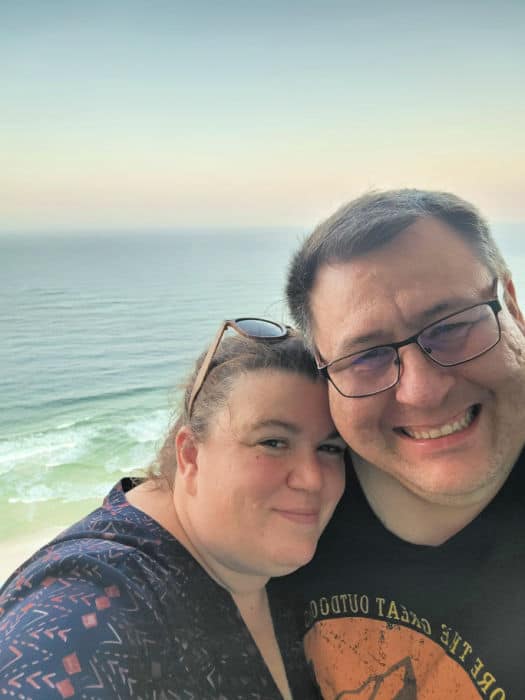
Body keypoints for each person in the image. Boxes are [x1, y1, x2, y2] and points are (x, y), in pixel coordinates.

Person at [0, 318, 346, 699]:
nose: (313, 479)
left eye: (330, 448)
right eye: (273, 442)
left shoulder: (270, 558)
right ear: (190, 454)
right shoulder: (91, 604)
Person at [282, 190, 525, 698]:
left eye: (454, 326)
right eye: (366, 357)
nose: (422, 391)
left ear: (513, 308)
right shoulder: (294, 497)